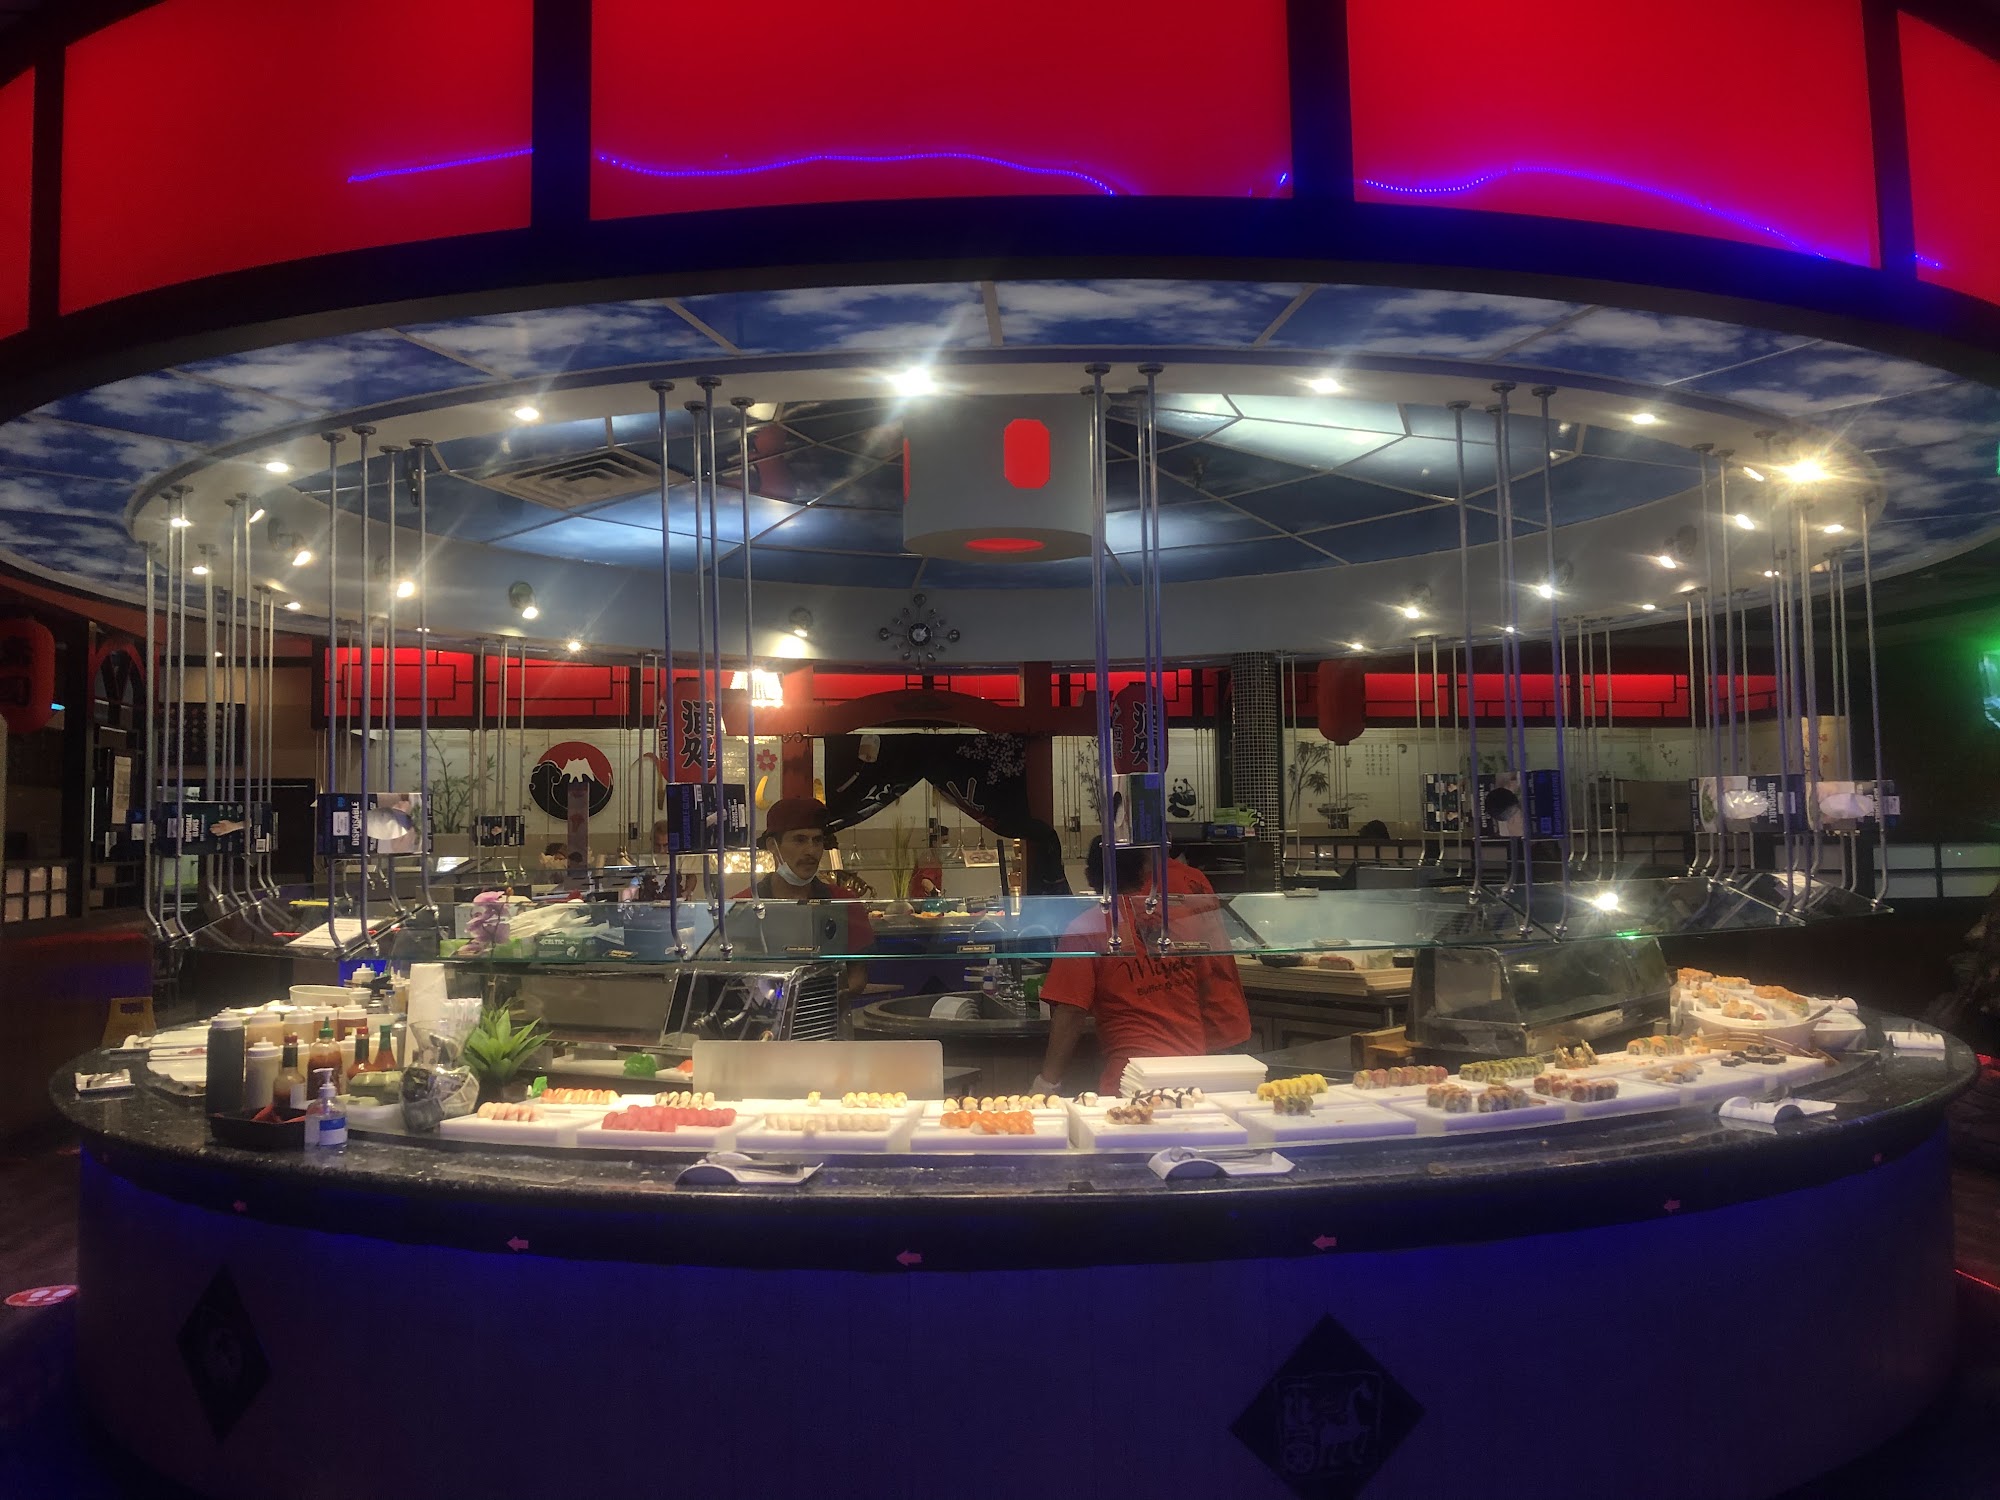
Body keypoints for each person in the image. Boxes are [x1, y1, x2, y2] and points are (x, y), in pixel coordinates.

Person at [1033, 838, 1252, 1095]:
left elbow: (1070, 1013)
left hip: (1131, 1082)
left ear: (1091, 874)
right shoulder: (1177, 919)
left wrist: (1046, 1083)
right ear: (1145, 869)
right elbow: (1207, 983)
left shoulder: (1087, 928)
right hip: (1193, 1075)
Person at [735, 797, 874, 998]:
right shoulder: (741, 906)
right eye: (799, 840)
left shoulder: (844, 902)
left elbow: (857, 975)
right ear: (773, 845)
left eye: (817, 840)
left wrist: (815, 1001)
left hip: (825, 1013)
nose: (811, 851)